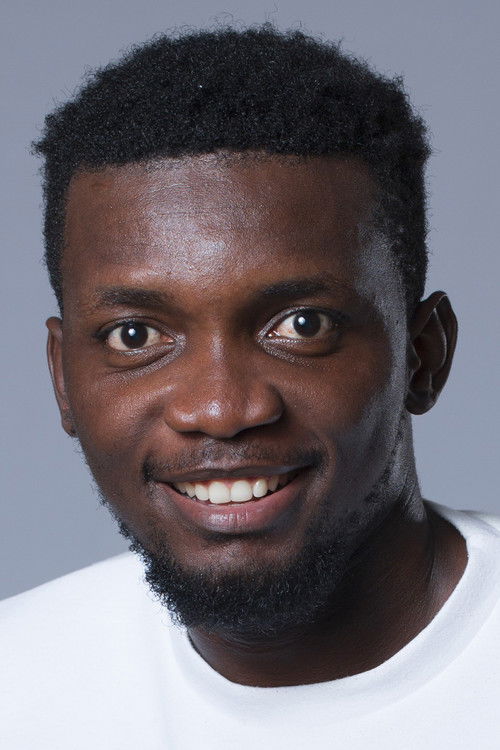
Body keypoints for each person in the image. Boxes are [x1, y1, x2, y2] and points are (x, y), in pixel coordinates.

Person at [1, 25, 499, 750]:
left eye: (301, 325)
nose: (220, 409)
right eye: (134, 336)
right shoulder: (17, 685)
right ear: (63, 380)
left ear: (423, 356)